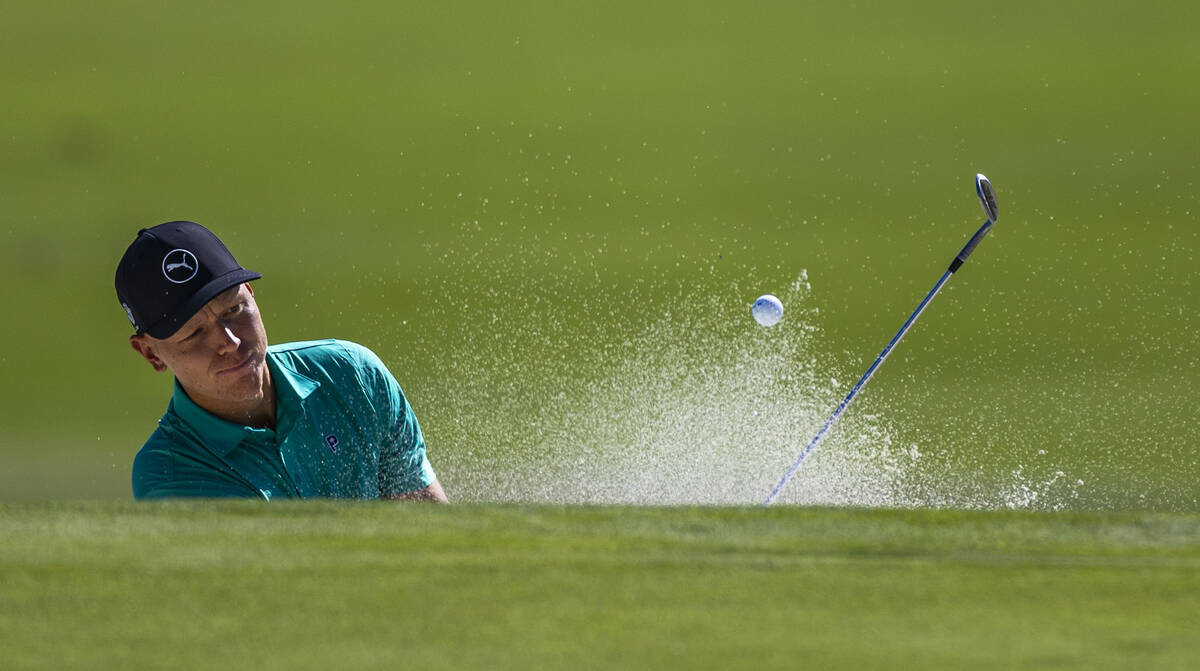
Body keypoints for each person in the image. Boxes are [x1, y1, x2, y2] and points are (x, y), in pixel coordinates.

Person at [115, 221, 448, 502]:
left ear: (251, 293)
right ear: (150, 353)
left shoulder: (352, 373)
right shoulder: (170, 473)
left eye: (234, 310)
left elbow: (430, 527)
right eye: (193, 334)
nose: (230, 342)